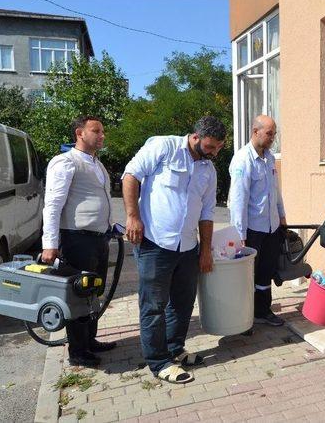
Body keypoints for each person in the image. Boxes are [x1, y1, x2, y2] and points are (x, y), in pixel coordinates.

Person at [121, 116, 226, 384]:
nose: (214, 153)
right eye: (211, 147)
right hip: (155, 244)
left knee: (182, 303)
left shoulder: (208, 170)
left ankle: (175, 349)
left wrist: (205, 250)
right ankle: (158, 362)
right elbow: (131, 175)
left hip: (188, 247)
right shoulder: (164, 147)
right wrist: (132, 216)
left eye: (218, 148)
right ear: (196, 136)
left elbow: (207, 211)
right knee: (154, 306)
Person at [42, 116, 117, 367]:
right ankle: (78, 351)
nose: (101, 135)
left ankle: (89, 341)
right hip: (76, 240)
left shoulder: (97, 164)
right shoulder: (65, 163)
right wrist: (49, 244)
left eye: (103, 131)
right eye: (96, 130)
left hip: (98, 239)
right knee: (79, 294)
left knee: (94, 292)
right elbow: (52, 205)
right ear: (79, 133)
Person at [228, 115, 287, 327]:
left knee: (265, 272)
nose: (273, 138)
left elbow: (275, 191)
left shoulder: (269, 158)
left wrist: (281, 216)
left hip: (270, 227)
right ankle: (244, 315)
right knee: (247, 275)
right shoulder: (243, 160)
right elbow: (238, 201)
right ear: (256, 131)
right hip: (252, 229)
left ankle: (263, 311)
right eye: (269, 133)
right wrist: (240, 234)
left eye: (274, 134)